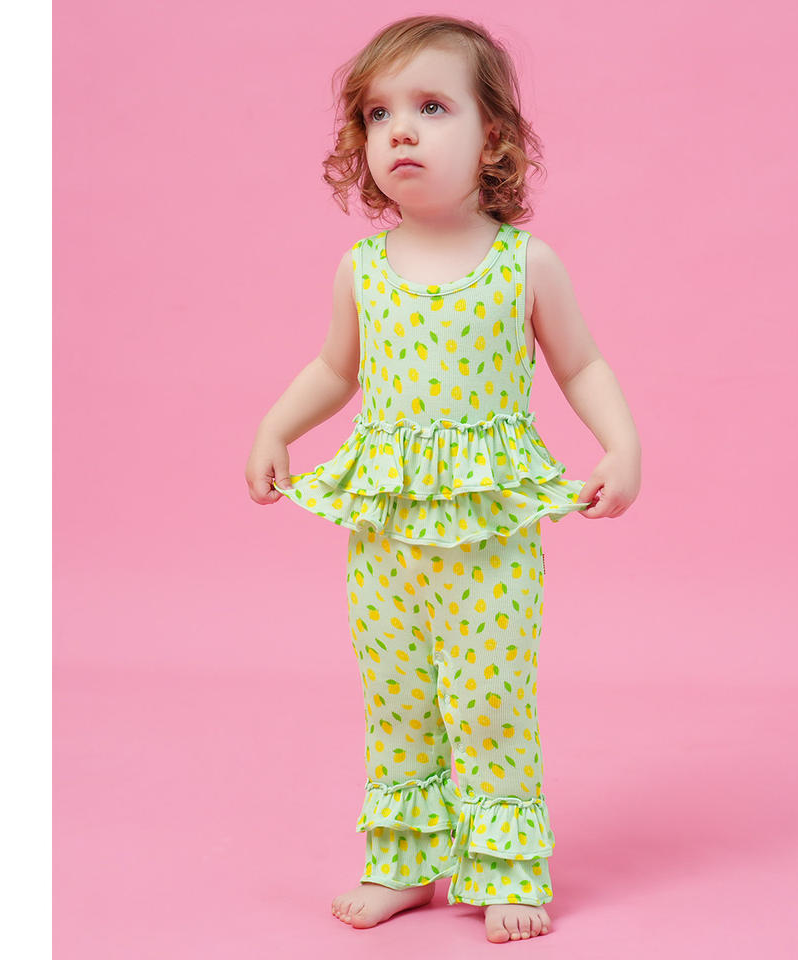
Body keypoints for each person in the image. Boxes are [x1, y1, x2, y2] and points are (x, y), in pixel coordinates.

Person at [245, 14, 641, 944]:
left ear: (492, 135)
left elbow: (582, 364)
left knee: (489, 700)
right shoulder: (364, 270)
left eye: (431, 107)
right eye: (379, 114)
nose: (401, 132)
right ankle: (403, 860)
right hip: (387, 533)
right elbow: (335, 369)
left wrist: (621, 445)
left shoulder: (523, 264)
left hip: (489, 535)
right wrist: (276, 426)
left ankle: (505, 866)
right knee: (397, 698)